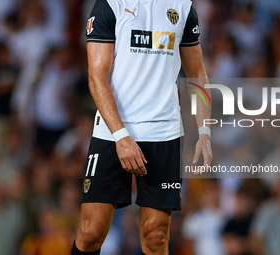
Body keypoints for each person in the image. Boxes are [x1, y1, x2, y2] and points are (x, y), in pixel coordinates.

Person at [71, 0, 212, 254]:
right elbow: (96, 77)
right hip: (112, 133)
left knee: (156, 237)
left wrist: (205, 131)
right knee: (91, 233)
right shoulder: (110, 4)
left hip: (163, 132)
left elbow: (198, 74)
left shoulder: (182, 7)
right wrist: (121, 136)